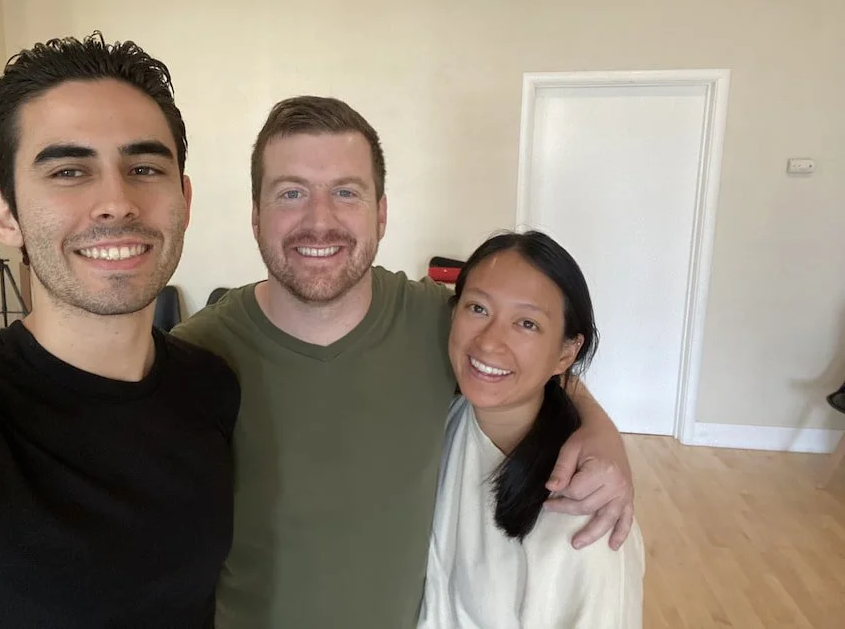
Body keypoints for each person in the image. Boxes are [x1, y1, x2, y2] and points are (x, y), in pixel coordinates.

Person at [172, 96, 636, 629]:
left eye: (346, 192)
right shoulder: (194, 355)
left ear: (382, 213)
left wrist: (603, 435)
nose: (319, 220)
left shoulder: (439, 324)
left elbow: (522, 363)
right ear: (255, 216)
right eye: (291, 192)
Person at [0, 33, 239, 628]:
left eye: (144, 167)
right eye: (69, 170)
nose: (117, 201)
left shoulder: (212, 386)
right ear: (5, 215)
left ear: (183, 198)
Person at [418, 230, 645, 629]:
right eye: (478, 308)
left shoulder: (585, 518)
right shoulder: (446, 416)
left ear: (566, 352)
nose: (489, 343)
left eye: (526, 323)